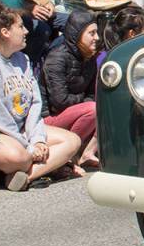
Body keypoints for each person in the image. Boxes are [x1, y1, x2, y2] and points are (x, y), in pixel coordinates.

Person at [0, 0, 81, 190]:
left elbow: (34, 103)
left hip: (21, 130)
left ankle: (25, 177)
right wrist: (29, 147)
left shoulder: (23, 59)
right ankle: (41, 166)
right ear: (5, 32)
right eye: (20, 27)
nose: (26, 31)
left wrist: (36, 139)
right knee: (18, 156)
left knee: (72, 141)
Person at [42, 10, 100, 168]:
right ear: (77, 35)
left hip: (73, 111)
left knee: (101, 106)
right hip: (49, 118)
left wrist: (83, 100)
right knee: (93, 109)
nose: (97, 38)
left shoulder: (89, 58)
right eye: (92, 33)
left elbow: (91, 94)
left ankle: (86, 153)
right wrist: (83, 101)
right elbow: (60, 101)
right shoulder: (57, 58)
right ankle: (68, 155)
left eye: (97, 32)